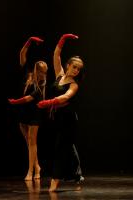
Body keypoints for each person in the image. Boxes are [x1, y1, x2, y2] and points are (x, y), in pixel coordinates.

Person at [37, 34, 85, 191]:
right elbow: (56, 55)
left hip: (68, 120)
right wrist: (63, 40)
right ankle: (77, 175)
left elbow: (66, 96)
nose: (76, 70)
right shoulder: (60, 75)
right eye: (74, 67)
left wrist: (50, 102)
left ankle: (54, 183)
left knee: (61, 149)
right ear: (68, 65)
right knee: (67, 147)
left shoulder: (74, 85)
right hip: (56, 118)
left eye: (79, 69)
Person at [8, 36, 48, 181]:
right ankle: (37, 165)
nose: (43, 75)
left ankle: (31, 171)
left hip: (34, 114)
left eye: (45, 72)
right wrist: (30, 41)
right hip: (23, 112)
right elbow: (22, 54)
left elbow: (28, 98)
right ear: (36, 69)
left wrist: (15, 102)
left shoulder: (41, 85)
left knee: (32, 141)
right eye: (41, 71)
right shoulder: (28, 74)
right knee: (28, 141)